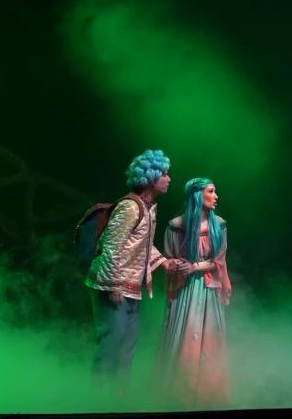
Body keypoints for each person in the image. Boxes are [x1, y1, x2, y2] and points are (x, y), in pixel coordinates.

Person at [85, 149, 191, 395]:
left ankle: (118, 398)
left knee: (127, 346)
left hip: (131, 287)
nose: (169, 179)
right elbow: (112, 246)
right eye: (164, 174)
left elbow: (141, 244)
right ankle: (96, 401)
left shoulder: (148, 207)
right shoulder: (130, 207)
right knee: (111, 343)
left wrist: (164, 263)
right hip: (113, 286)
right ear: (151, 177)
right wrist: (114, 284)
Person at [156, 178, 231, 408]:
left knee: (208, 337)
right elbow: (170, 258)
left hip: (208, 289)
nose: (216, 196)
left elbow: (219, 261)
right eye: (211, 191)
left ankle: (207, 393)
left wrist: (194, 267)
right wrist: (176, 265)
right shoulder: (176, 226)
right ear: (198, 196)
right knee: (186, 335)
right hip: (186, 290)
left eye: (215, 191)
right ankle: (180, 394)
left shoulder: (219, 225)